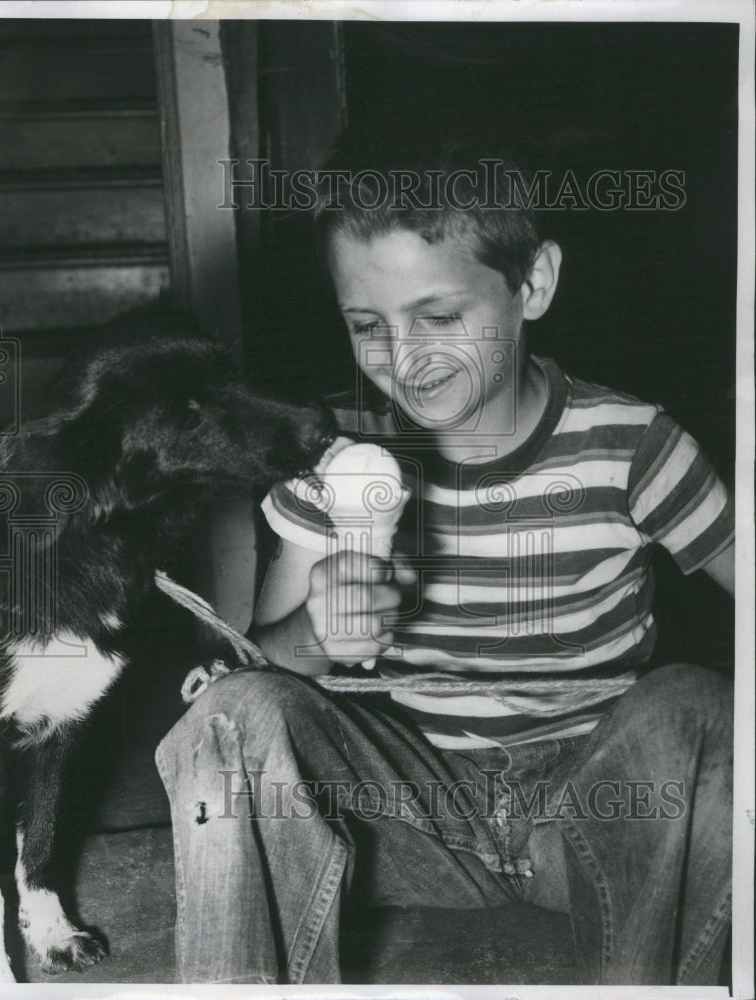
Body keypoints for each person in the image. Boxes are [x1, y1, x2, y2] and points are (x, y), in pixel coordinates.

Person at [155, 138, 734, 986]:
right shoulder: (333, 453)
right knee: (229, 717)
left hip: (601, 818)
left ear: (531, 284)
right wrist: (317, 631)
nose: (405, 358)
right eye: (366, 325)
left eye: (438, 316)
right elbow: (262, 675)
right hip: (407, 817)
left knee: (702, 703)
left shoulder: (631, 443)